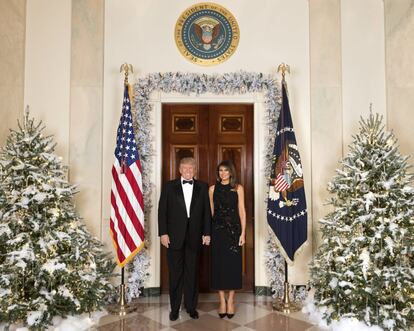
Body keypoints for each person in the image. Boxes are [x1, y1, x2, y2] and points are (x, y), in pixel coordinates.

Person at [158, 157, 211, 321]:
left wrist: (207, 233)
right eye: (185, 169)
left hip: (195, 237)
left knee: (192, 273)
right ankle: (174, 309)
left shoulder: (202, 187)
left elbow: (206, 213)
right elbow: (162, 212)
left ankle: (191, 307)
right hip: (173, 237)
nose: (188, 171)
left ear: (195, 170)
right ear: (180, 170)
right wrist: (163, 233)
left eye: (191, 169)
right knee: (175, 274)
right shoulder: (169, 186)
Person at [209, 160, 246, 319]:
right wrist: (208, 233)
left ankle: (230, 300)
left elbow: (242, 211)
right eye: (220, 171)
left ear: (231, 172)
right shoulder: (212, 189)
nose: (223, 173)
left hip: (233, 233)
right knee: (218, 265)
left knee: (232, 266)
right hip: (217, 232)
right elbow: (210, 213)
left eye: (225, 170)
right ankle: (221, 301)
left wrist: (243, 233)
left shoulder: (238, 188)